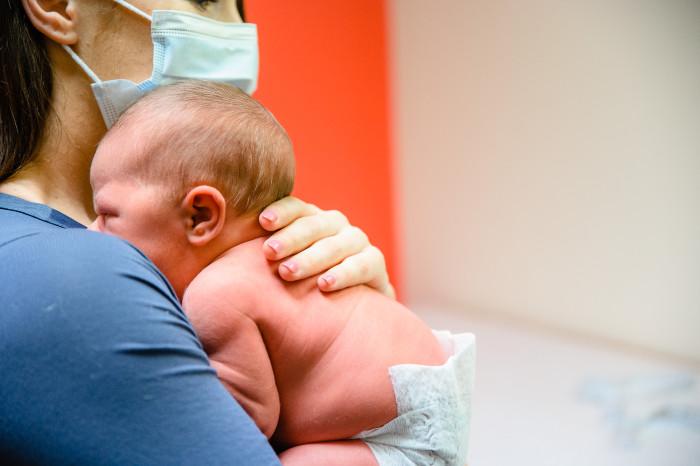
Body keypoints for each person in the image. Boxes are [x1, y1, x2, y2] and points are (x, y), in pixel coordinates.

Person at [0, 1, 394, 463]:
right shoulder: (77, 275)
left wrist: (353, 334)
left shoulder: (94, 248)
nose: (237, 31)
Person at [88, 81, 475, 466]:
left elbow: (248, 422)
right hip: (427, 383)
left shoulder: (216, 293)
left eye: (108, 214)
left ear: (200, 215)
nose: (91, 230)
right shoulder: (278, 250)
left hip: (391, 432)